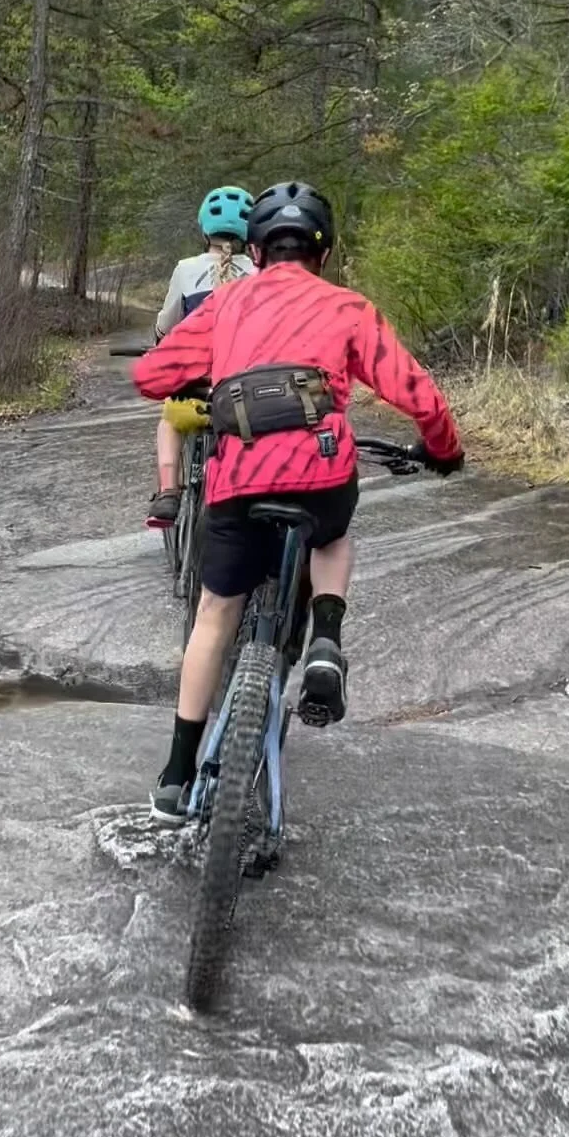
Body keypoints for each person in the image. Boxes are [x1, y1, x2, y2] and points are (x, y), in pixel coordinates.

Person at [131, 179, 465, 825]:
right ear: (326, 252)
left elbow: (150, 377)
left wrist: (214, 373)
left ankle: (176, 775)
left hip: (236, 480)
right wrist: (444, 451)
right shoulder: (348, 307)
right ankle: (325, 640)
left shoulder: (226, 304)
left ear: (255, 250)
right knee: (332, 535)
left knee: (214, 613)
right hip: (320, 474)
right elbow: (419, 395)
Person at [146, 186, 255, 528]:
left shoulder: (186, 268)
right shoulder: (258, 272)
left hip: (197, 390)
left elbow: (168, 322)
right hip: (242, 395)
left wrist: (160, 343)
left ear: (204, 229)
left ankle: (168, 494)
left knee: (170, 420)